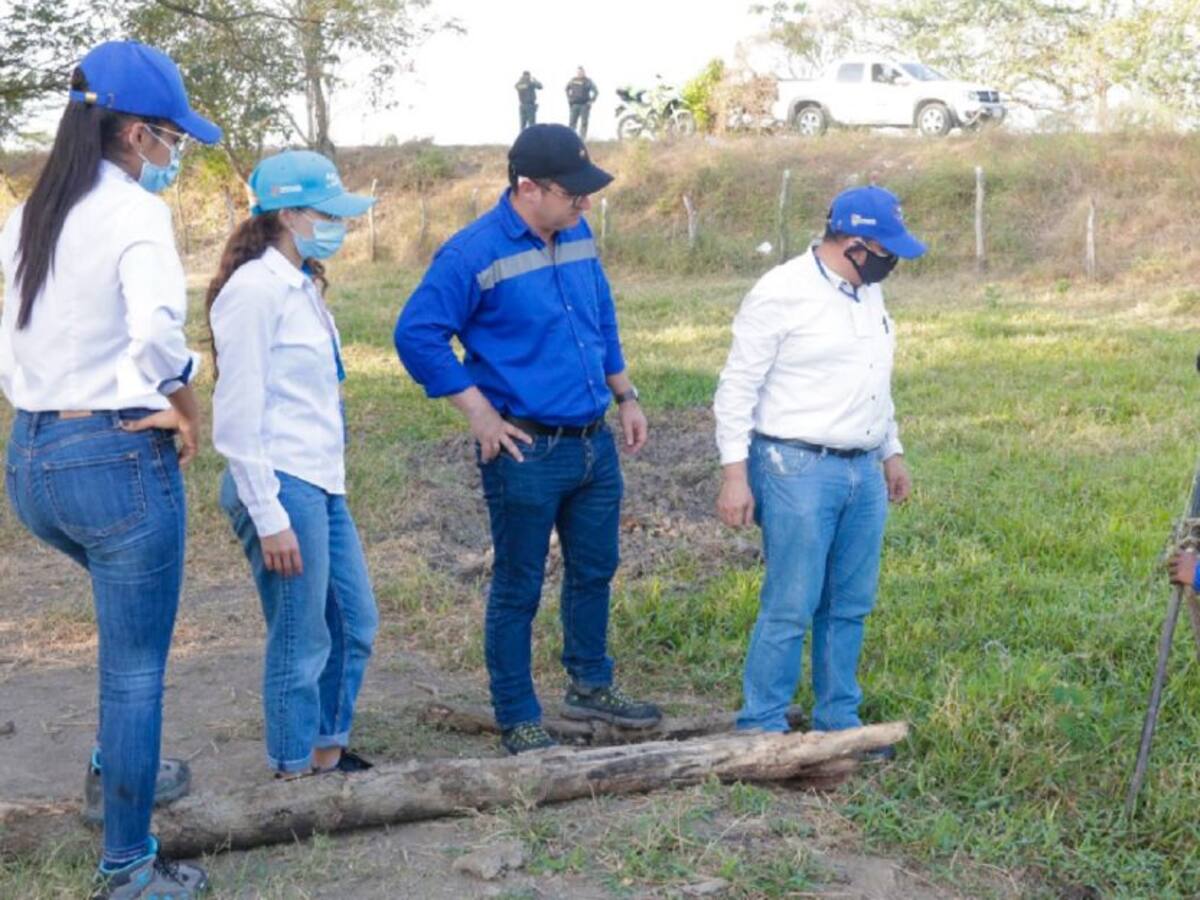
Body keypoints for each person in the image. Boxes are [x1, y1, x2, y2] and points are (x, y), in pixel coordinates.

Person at [0, 40, 220, 899]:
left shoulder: (30, 213)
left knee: (122, 629)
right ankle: (129, 866)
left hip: (33, 459)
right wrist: (185, 402)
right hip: (114, 456)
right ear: (134, 133)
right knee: (135, 665)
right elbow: (158, 332)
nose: (174, 152)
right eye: (172, 137)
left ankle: (116, 767)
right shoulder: (133, 212)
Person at [394, 124, 660, 754]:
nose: (585, 202)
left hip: (592, 442)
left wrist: (625, 394)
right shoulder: (471, 253)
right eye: (573, 193)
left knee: (595, 569)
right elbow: (417, 334)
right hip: (526, 451)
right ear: (528, 188)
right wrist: (479, 413)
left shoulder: (578, 235)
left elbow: (601, 317)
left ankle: (590, 683)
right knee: (519, 586)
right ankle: (517, 716)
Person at [713, 185, 925, 748]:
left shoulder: (868, 292)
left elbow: (873, 378)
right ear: (853, 243)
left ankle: (838, 721)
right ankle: (762, 726)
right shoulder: (781, 292)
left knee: (849, 604)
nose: (891, 262)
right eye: (885, 250)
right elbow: (737, 386)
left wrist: (891, 450)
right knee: (792, 602)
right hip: (796, 467)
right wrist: (734, 474)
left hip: (863, 468)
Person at [207, 149, 379, 780]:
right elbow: (237, 412)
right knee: (301, 635)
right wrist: (269, 513)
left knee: (354, 621)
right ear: (288, 215)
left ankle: (325, 751)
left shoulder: (300, 284)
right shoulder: (253, 292)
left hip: (320, 480)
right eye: (326, 215)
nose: (338, 226)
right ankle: (292, 772)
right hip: (281, 484)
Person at [565, 67, 599, 140]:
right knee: (572, 123)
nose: (579, 73)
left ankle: (582, 139)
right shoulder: (573, 80)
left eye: (581, 72)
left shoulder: (588, 81)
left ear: (584, 72)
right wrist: (569, 99)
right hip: (574, 105)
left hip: (584, 105)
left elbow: (596, 92)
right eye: (578, 72)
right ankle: (571, 139)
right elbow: (566, 89)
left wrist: (591, 101)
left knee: (584, 123)